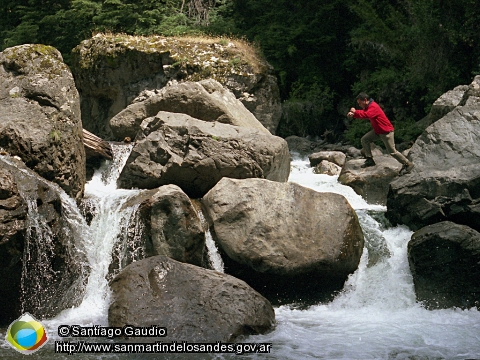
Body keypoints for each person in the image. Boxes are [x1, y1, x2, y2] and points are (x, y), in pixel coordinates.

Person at [347, 92, 414, 174]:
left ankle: (408, 164)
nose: (359, 105)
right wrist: (353, 114)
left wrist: (355, 112)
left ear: (365, 100)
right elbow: (364, 113)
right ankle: (369, 159)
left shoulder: (373, 106)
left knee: (392, 152)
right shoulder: (368, 106)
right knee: (365, 139)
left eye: (360, 103)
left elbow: (367, 115)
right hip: (378, 131)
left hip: (386, 132)